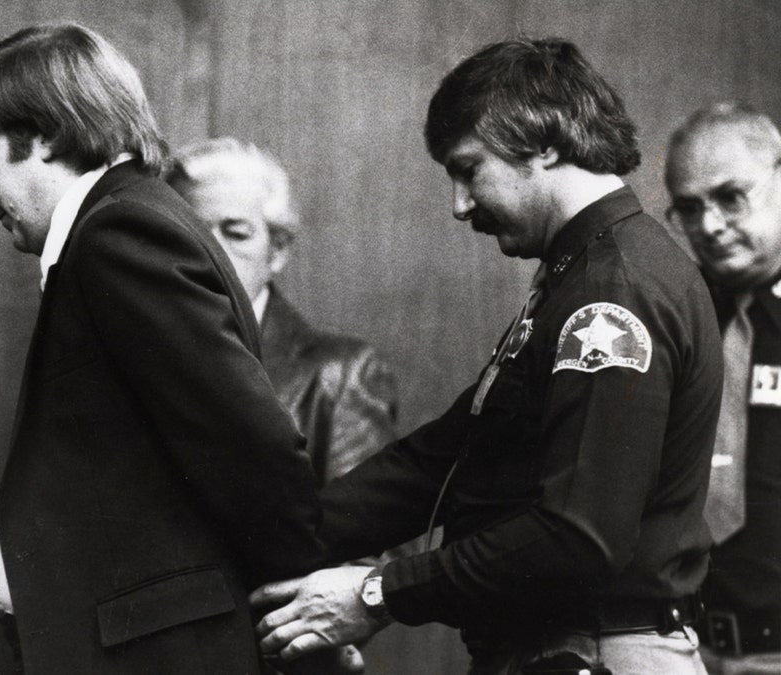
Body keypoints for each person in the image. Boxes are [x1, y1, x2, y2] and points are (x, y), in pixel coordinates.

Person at [250, 37, 723, 674]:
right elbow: (448, 456)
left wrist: (379, 592)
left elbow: (579, 539)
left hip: (599, 650)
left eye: (470, 169)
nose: (460, 205)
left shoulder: (611, 296)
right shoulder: (580, 275)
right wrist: (268, 536)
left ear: (546, 142)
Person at [0, 23, 329, 675]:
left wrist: (307, 625)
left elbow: (252, 443)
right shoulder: (118, 225)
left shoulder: (119, 232)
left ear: (43, 136)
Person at [166, 138, 399, 485]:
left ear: (277, 251)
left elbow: (372, 533)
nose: (210, 254)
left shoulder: (340, 376)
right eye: (189, 233)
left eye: (237, 234)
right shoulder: (129, 355)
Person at [665, 102, 781, 674]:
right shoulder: (673, 321)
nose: (708, 226)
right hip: (682, 649)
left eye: (730, 197)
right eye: (688, 208)